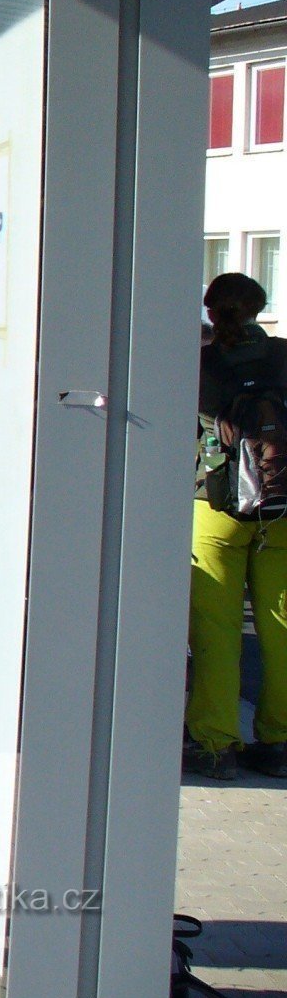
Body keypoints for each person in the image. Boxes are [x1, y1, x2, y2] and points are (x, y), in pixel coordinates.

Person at [185, 271, 287, 780]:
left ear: (211, 311)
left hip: (217, 504)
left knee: (217, 630)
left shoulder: (201, 364)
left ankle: (215, 743)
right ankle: (278, 742)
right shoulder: (284, 355)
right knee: (282, 627)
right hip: (282, 510)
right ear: (259, 308)